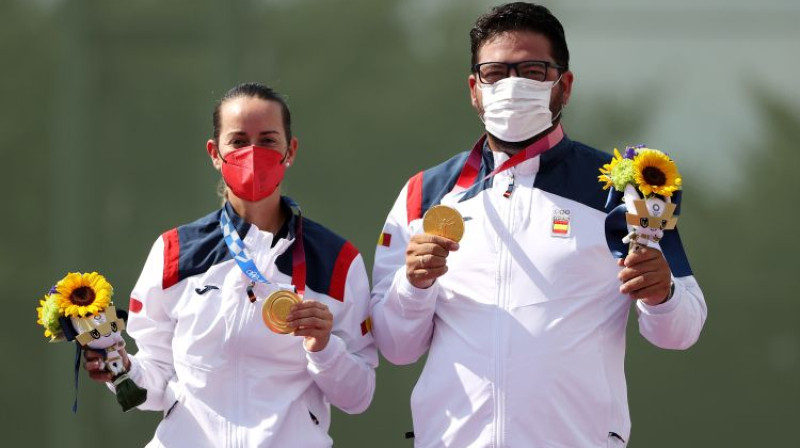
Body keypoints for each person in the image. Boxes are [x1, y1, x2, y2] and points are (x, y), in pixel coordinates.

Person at [370, 3, 707, 447]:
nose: (512, 86)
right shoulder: (424, 194)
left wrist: (662, 296)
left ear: (563, 86)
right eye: (495, 73)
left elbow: (681, 331)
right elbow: (395, 346)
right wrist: (413, 286)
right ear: (474, 89)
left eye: (532, 71)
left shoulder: (622, 189)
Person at [84, 82, 377, 447]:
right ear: (215, 153)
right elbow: (155, 380)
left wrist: (324, 346)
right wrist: (122, 370)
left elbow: (358, 397)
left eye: (268, 140)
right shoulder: (174, 251)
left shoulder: (337, 260)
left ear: (290, 150)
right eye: (238, 141)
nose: (253, 153)